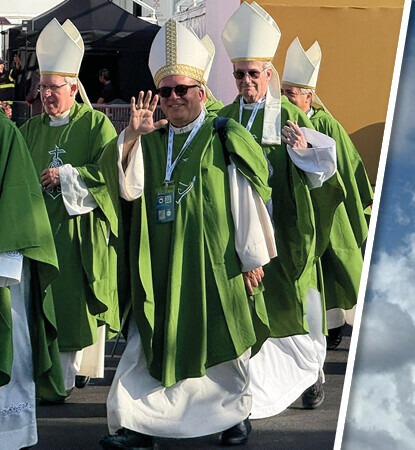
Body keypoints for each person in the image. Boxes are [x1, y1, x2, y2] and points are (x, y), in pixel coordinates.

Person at [100, 19, 277, 449]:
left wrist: (252, 258)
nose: (174, 98)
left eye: (182, 90)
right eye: (166, 92)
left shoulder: (222, 136)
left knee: (223, 340)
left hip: (213, 262)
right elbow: (128, 187)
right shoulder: (152, 139)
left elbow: (245, 199)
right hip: (159, 263)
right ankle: (138, 425)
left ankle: (234, 415)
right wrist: (129, 139)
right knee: (149, 343)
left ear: (201, 91)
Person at [219, 1, 338, 418]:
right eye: (239, 74)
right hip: (240, 234)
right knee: (249, 313)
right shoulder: (223, 117)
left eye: (254, 73)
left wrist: (304, 152)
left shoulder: (287, 113)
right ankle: (252, 393)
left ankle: (311, 373)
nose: (246, 80)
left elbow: (324, 171)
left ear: (269, 74)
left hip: (285, 231)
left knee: (293, 308)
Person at [18, 19, 120, 398]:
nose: (46, 94)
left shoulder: (97, 126)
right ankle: (45, 378)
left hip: (78, 237)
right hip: (39, 236)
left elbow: (111, 177)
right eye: (42, 87)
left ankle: (62, 380)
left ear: (74, 88)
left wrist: (68, 176)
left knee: (71, 306)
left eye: (53, 87)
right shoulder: (29, 130)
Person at [282, 38, 374, 351]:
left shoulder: (324, 124)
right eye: (282, 93)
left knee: (331, 265)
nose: (285, 100)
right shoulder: (279, 122)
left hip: (327, 210)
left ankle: (333, 325)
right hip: (294, 210)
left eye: (290, 94)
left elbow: (349, 167)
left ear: (308, 96)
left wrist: (358, 199)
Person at [0, 112, 67, 450]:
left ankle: (10, 432)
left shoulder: (4, 131)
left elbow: (17, 194)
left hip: (2, 262)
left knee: (11, 346)